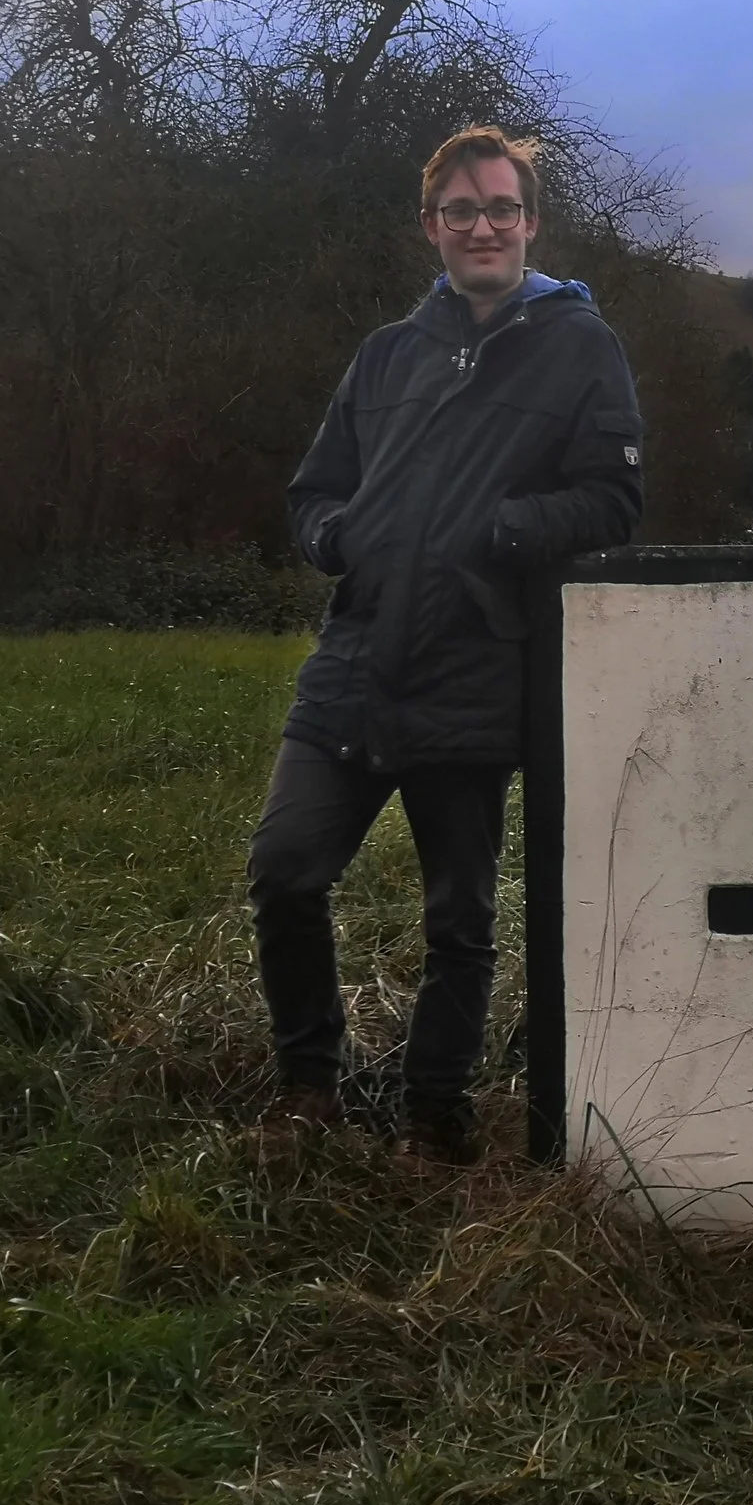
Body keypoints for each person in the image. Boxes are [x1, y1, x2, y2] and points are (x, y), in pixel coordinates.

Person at [247, 124, 643, 1166]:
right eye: (461, 210)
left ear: (530, 224)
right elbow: (312, 490)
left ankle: (437, 1116)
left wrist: (502, 531)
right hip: (354, 657)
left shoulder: (578, 346)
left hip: (475, 662)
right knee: (285, 870)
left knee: (457, 917)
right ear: (432, 226)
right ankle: (307, 1086)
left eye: (501, 209)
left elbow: (613, 496)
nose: (482, 227)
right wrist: (338, 538)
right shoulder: (388, 352)